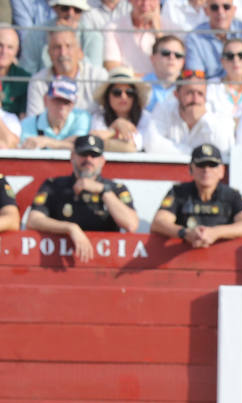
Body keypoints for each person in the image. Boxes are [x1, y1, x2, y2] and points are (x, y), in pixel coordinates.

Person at [25, 134, 139, 262]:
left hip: (106, 264)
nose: (88, 159)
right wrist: (70, 228)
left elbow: (131, 225)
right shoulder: (54, 185)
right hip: (59, 264)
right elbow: (33, 220)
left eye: (94, 155)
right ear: (72, 156)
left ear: (102, 160)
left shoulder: (116, 189)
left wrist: (103, 191)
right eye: (83, 154)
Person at [151, 143, 242, 247]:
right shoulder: (178, 192)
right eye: (201, 165)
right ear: (191, 169)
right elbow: (158, 223)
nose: (206, 170)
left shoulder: (232, 195)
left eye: (212, 165)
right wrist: (186, 233)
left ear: (222, 171)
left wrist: (216, 233)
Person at [142, 69, 235, 156]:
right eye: (189, 93)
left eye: (200, 93)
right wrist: (194, 153)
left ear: (206, 96)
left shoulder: (219, 109)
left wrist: (205, 117)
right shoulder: (164, 107)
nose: (195, 99)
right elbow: (151, 144)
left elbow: (225, 148)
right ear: (176, 94)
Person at [26, 26, 106, 116]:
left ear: (79, 52)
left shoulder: (98, 77)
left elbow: (107, 117)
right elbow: (34, 121)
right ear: (49, 53)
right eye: (57, 47)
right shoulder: (38, 82)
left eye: (68, 46)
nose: (63, 53)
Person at [185, 0, 242, 80]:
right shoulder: (195, 38)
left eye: (226, 7)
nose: (220, 12)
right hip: (210, 90)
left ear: (234, 10)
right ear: (206, 11)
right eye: (214, 7)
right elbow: (196, 78)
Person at [19, 75, 90, 148]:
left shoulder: (82, 117)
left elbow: (81, 146)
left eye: (67, 102)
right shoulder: (27, 124)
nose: (62, 107)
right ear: (45, 100)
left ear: (73, 105)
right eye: (57, 101)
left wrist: (46, 141)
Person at [90, 65, 147, 152]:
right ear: (107, 96)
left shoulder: (145, 117)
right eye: (117, 92)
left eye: (129, 92)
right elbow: (93, 140)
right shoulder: (98, 117)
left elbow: (134, 146)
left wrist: (110, 134)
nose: (123, 96)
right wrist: (116, 127)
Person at [205, 36, 242, 129]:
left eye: (241, 55)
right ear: (222, 61)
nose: (236, 60)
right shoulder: (210, 87)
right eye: (230, 56)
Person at [101, 0, 161, 75]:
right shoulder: (112, 28)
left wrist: (158, 34)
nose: (145, 3)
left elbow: (173, 71)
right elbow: (113, 69)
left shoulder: (173, 27)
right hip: (128, 86)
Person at [145, 34, 186, 113]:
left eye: (178, 55)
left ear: (183, 62)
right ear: (153, 58)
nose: (172, 57)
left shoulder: (190, 88)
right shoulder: (140, 87)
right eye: (165, 53)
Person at [1, 25, 30, 119]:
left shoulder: (25, 80)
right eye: (0, 45)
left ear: (17, 51)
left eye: (10, 47)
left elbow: (24, 121)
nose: (4, 51)